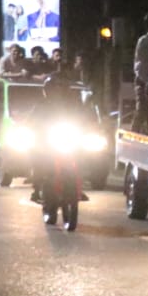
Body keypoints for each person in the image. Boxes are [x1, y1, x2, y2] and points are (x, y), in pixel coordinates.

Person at [27, 75, 91, 205]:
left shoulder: (72, 106)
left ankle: (77, 188)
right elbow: (30, 122)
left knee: (81, 157)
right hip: (46, 142)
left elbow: (84, 119)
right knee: (37, 157)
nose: (57, 92)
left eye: (60, 89)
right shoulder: (41, 105)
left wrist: (88, 128)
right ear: (47, 90)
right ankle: (37, 187)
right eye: (54, 89)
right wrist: (35, 130)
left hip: (66, 139)